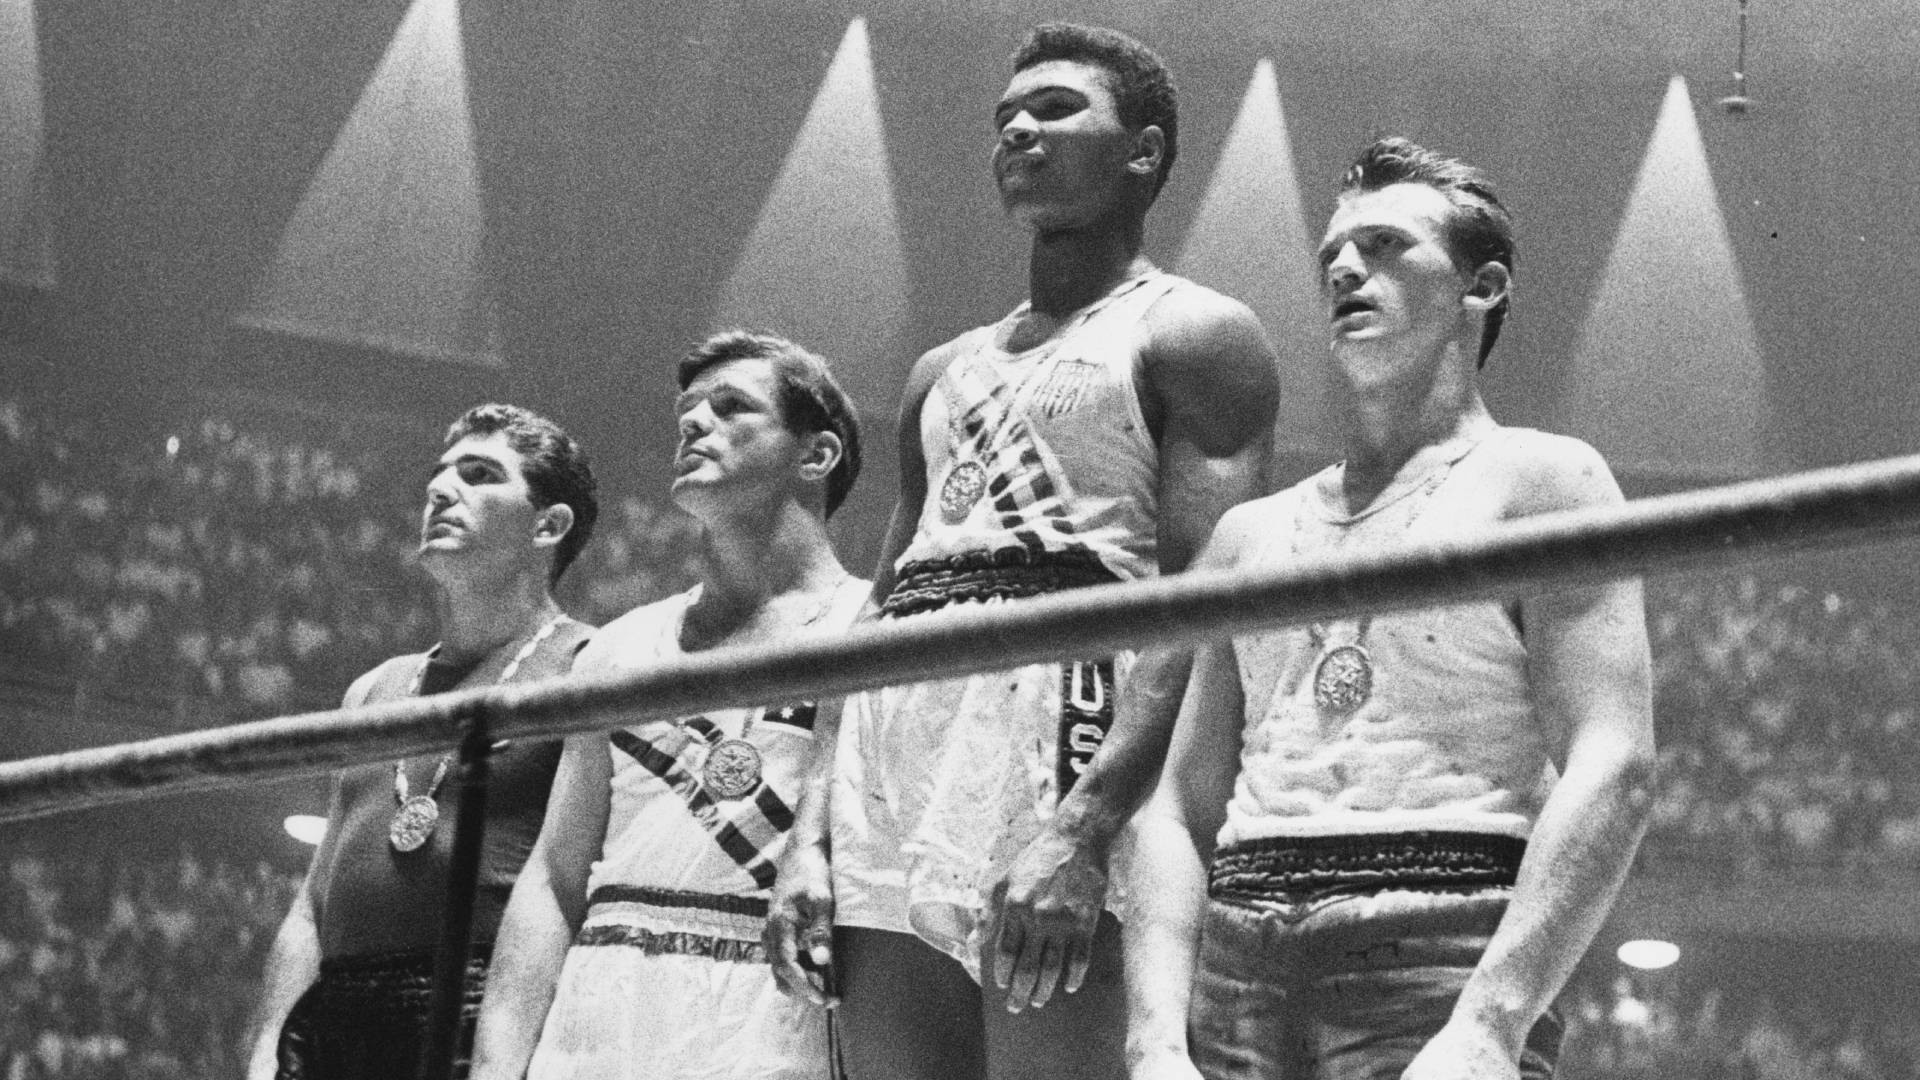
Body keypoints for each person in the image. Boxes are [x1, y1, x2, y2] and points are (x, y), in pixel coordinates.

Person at [764, 23, 1280, 1080]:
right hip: (892, 739)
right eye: (1007, 118)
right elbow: (878, 609)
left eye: (1054, 109)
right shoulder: (938, 371)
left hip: (1065, 722)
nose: (1020, 129)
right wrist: (807, 831)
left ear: (1141, 152)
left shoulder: (1197, 333)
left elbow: (1203, 602)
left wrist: (1089, 823)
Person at [1124, 137, 1659, 1080]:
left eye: (1383, 246)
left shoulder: (1540, 480)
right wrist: (1154, 1042)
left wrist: (1491, 1021)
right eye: (1332, 251)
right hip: (1238, 958)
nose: (1342, 268)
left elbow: (1614, 763)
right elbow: (1175, 807)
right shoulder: (1251, 535)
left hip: (1443, 940)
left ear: (1480, 287)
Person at [468, 331, 868, 1080]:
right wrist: (498, 1065)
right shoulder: (620, 645)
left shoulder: (877, 631)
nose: (693, 423)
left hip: (777, 1007)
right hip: (601, 1008)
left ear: (816, 455)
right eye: (688, 410)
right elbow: (555, 876)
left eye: (731, 406)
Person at [246, 404, 600, 1080]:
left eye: (480, 474)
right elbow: (313, 905)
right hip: (334, 1020)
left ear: (549, 526)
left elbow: (571, 887)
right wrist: (267, 1054)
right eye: (439, 474)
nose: (441, 489)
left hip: (482, 1006)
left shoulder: (592, 666)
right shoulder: (376, 688)